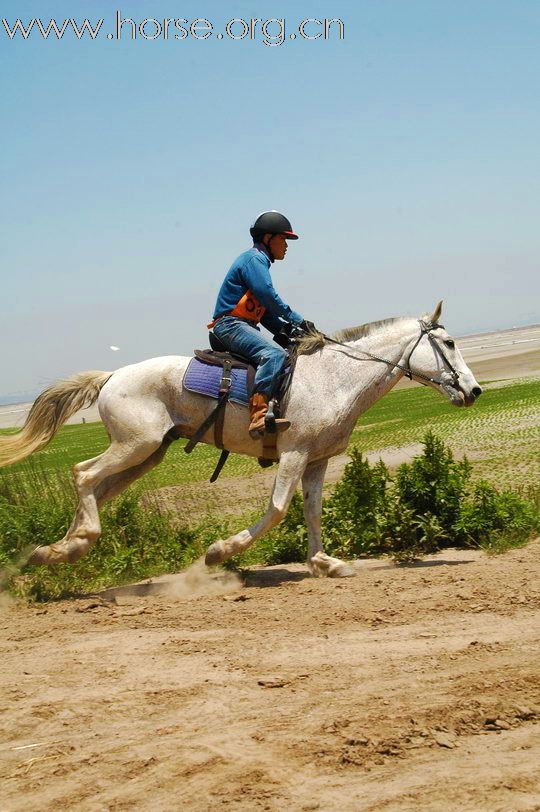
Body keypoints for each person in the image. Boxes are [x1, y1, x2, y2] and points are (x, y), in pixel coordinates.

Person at [208, 211, 317, 438]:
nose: (286, 245)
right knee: (274, 356)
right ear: (268, 238)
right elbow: (267, 296)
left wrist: (286, 331)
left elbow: (263, 311)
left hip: (241, 325)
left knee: (287, 353)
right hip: (230, 326)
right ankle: (258, 416)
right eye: (283, 238)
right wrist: (298, 320)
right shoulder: (254, 260)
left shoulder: (259, 261)